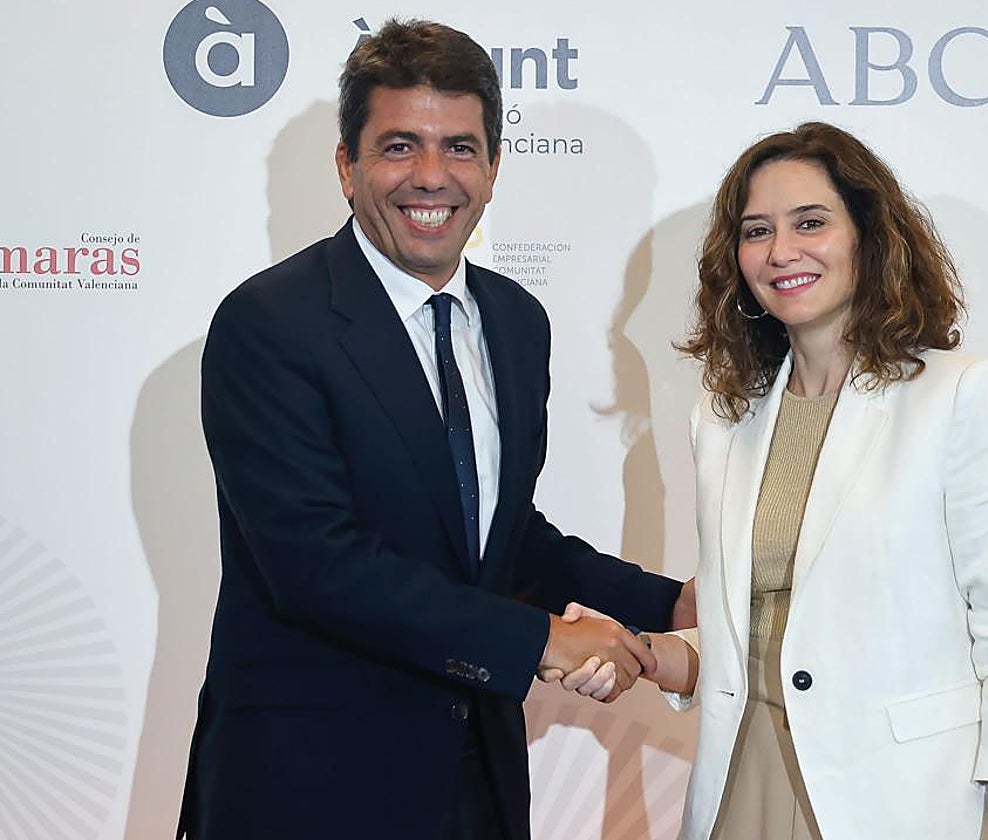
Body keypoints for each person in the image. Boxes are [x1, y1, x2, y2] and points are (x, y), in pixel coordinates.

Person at [175, 19, 694, 840]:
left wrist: (675, 601)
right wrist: (538, 640)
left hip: (478, 780)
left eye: (459, 148)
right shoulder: (268, 323)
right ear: (347, 166)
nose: (430, 177)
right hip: (310, 785)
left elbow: (499, 536)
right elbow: (316, 565)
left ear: (491, 169)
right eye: (398, 146)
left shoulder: (517, 323)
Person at [557, 122, 988, 840]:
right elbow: (755, 632)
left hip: (897, 804)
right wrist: (641, 654)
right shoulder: (724, 418)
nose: (781, 251)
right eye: (757, 230)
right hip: (741, 786)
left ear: (868, 234)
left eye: (811, 223)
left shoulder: (959, 396)